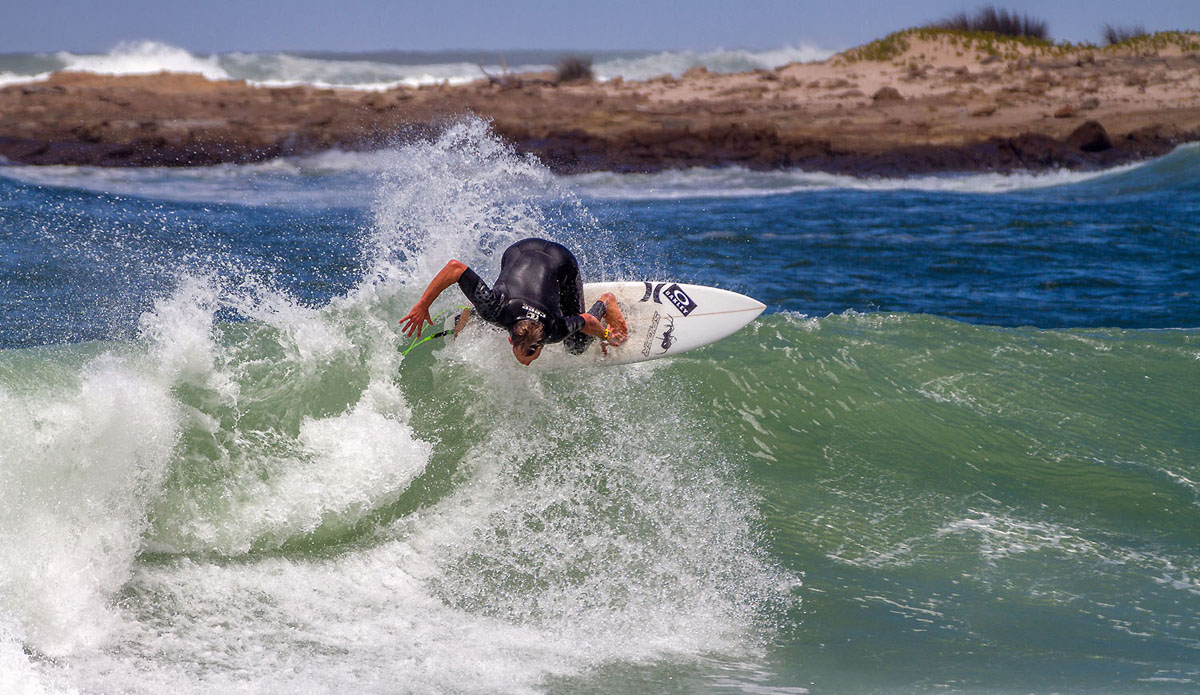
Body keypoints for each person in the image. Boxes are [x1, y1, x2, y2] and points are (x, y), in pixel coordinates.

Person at [399, 238, 628, 366]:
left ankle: (607, 302)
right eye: (529, 356)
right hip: (520, 251)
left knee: (576, 346)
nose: (527, 364)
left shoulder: (555, 329)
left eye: (529, 356)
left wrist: (605, 336)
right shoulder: (494, 309)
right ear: (511, 338)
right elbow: (454, 268)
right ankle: (470, 315)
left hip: (561, 260)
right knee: (490, 313)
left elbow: (588, 320)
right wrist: (423, 305)